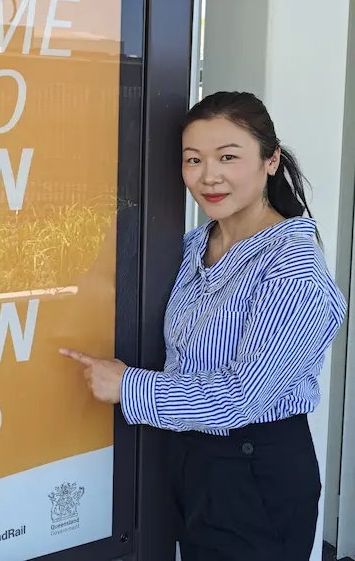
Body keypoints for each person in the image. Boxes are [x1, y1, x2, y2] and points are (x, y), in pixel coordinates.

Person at [61, 91, 346, 561]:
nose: (208, 176)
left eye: (228, 157)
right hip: (190, 456)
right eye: (193, 159)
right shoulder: (195, 244)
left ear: (270, 160)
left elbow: (242, 397)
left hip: (254, 470)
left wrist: (128, 386)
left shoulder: (293, 270)